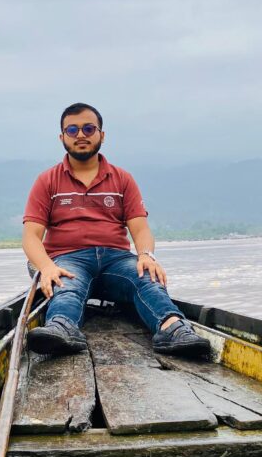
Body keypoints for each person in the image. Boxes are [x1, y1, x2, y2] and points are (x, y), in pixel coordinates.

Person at [22, 102, 211, 359]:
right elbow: (31, 237)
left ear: (102, 135)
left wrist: (145, 255)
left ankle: (173, 329)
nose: (81, 135)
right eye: (73, 130)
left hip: (116, 260)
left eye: (89, 128)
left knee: (147, 278)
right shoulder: (48, 180)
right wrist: (46, 267)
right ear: (62, 137)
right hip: (69, 258)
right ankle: (62, 328)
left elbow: (141, 229)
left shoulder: (122, 179)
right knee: (65, 285)